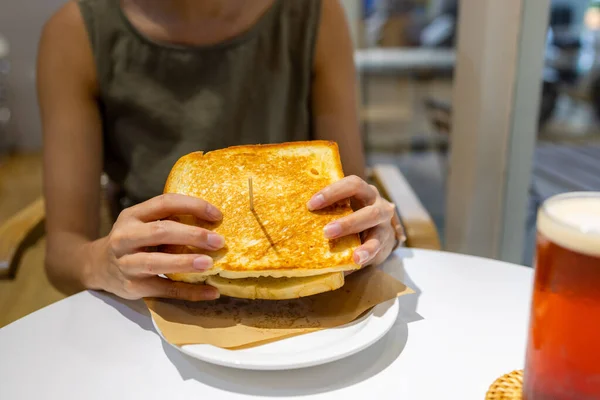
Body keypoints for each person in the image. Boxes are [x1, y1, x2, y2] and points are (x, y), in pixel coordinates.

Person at [38, 0, 403, 302]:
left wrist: (377, 232)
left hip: (313, 313)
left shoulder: (316, 14)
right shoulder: (75, 33)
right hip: (153, 313)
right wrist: (102, 261)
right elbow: (63, 253)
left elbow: (353, 206)